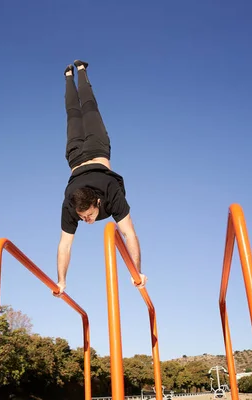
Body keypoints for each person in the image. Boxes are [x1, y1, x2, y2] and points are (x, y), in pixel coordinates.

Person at [54, 60, 146, 297]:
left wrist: (136, 271)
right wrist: (61, 281)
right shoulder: (70, 205)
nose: (87, 220)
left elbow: (129, 234)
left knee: (82, 110)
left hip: (83, 152)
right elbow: (65, 245)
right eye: (83, 217)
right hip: (87, 153)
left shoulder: (110, 190)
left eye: (88, 216)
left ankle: (80, 71)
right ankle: (68, 76)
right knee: (77, 111)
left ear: (97, 202)